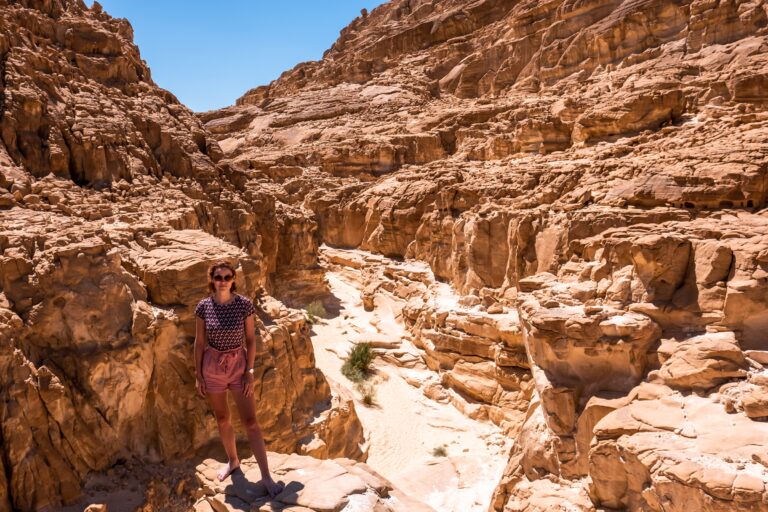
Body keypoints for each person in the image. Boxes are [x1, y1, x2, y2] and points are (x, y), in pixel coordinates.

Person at [193, 260, 284, 497]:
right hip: (212, 366)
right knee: (223, 418)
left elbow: (251, 340)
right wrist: (198, 374)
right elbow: (199, 343)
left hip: (239, 366)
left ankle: (266, 477)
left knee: (251, 423)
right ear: (212, 280)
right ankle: (233, 461)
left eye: (226, 277)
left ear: (233, 280)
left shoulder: (244, 305)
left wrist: (250, 371)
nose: (222, 281)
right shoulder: (204, 307)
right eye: (218, 277)